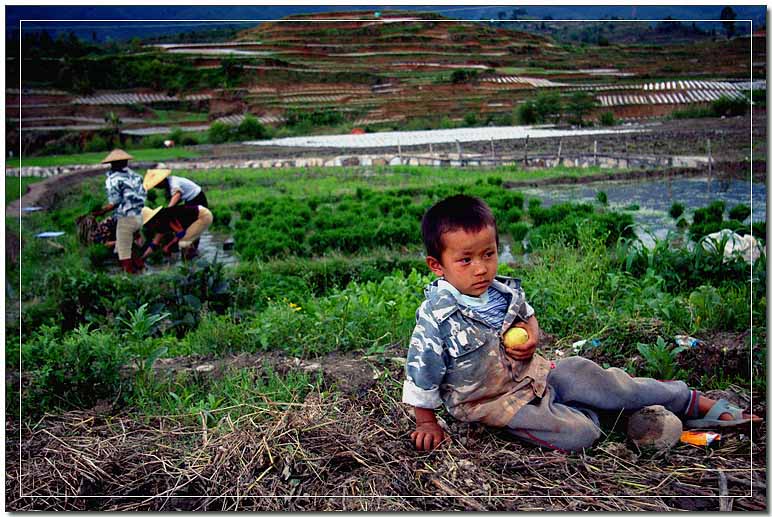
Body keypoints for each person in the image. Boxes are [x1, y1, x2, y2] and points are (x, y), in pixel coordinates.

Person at [403, 194, 761, 452]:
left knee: (603, 380)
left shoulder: (503, 293)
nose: (481, 268)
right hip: (495, 403)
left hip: (540, 374)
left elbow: (527, 316)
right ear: (438, 265)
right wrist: (426, 421)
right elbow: (422, 374)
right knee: (579, 435)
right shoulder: (437, 318)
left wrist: (531, 334)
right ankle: (608, 416)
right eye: (466, 260)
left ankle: (689, 399)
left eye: (489, 254)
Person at [91, 149, 146, 274]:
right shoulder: (137, 176)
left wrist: (101, 211)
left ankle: (130, 280)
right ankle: (142, 271)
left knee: (124, 254)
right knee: (130, 248)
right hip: (139, 216)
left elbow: (115, 202)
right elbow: (141, 196)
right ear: (126, 162)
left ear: (112, 164)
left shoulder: (113, 179)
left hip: (126, 219)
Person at [140, 204, 213, 261]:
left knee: (184, 243)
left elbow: (181, 233)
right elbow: (154, 243)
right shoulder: (159, 223)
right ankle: (191, 262)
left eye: (148, 224)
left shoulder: (167, 216)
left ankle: (197, 263)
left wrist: (168, 246)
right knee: (185, 246)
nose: (148, 226)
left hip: (203, 216)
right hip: (193, 219)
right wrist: (143, 257)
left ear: (152, 219)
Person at [143, 168, 208, 208]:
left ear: (161, 182)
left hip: (197, 197)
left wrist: (168, 209)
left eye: (156, 185)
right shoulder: (169, 184)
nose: (157, 187)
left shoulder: (173, 182)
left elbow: (177, 195)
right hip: (190, 199)